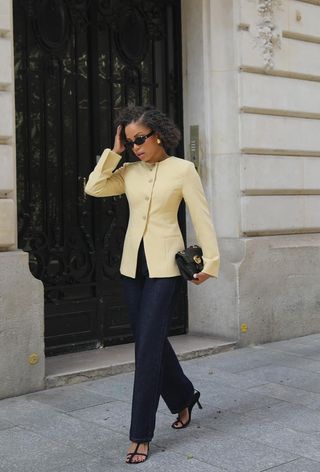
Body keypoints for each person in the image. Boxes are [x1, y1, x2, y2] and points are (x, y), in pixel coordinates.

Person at [85, 106, 220, 464]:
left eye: (140, 139)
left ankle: (140, 434)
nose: (136, 147)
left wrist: (212, 261)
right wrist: (114, 153)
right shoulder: (128, 171)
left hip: (164, 268)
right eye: (130, 142)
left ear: (158, 134)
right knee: (152, 340)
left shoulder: (183, 170)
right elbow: (94, 186)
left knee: (146, 349)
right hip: (133, 267)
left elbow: (201, 216)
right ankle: (184, 397)